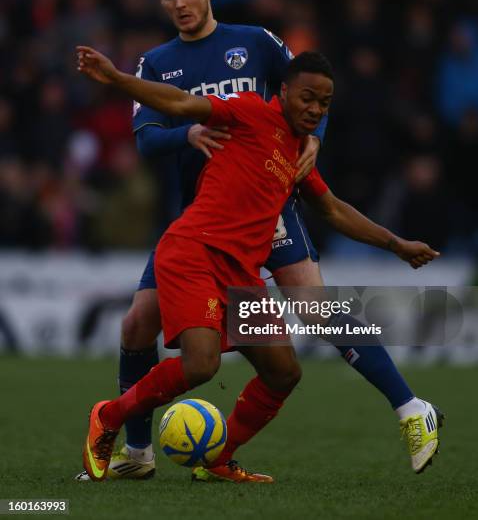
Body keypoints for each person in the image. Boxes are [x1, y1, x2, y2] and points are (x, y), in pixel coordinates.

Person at [77, 45, 442, 482]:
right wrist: (117, 78)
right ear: (283, 91)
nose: (314, 108)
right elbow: (180, 102)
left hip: (240, 275)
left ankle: (216, 458)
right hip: (195, 253)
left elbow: (332, 209)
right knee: (201, 364)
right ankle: (109, 416)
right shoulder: (248, 110)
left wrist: (396, 244)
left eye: (324, 103)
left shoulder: (298, 153)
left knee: (283, 371)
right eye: (307, 97)